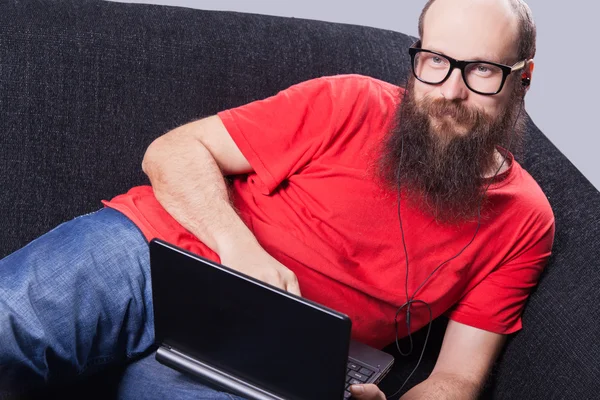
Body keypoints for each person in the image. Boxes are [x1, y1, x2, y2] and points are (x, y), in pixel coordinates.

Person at [0, 0, 554, 399]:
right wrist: (240, 249)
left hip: (272, 357)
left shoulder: (526, 221)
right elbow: (172, 152)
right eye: (435, 61)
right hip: (152, 252)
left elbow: (456, 378)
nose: (450, 91)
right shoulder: (351, 101)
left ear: (523, 80)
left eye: (482, 69)